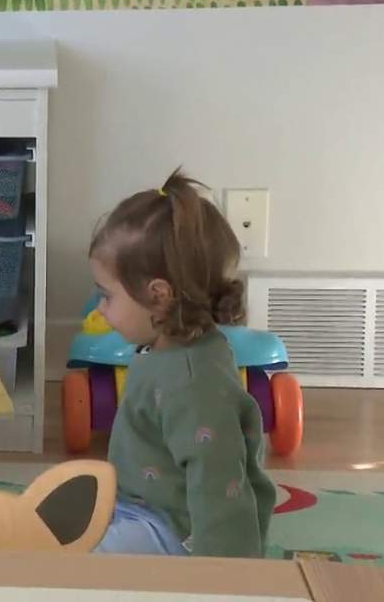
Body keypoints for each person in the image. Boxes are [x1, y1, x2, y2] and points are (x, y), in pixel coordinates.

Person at [87, 168, 276, 558]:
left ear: (158, 296)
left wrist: (224, 578)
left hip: (174, 531)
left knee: (76, 563)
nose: (101, 310)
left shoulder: (194, 383)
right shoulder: (171, 351)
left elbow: (221, 482)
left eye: (106, 296)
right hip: (139, 505)